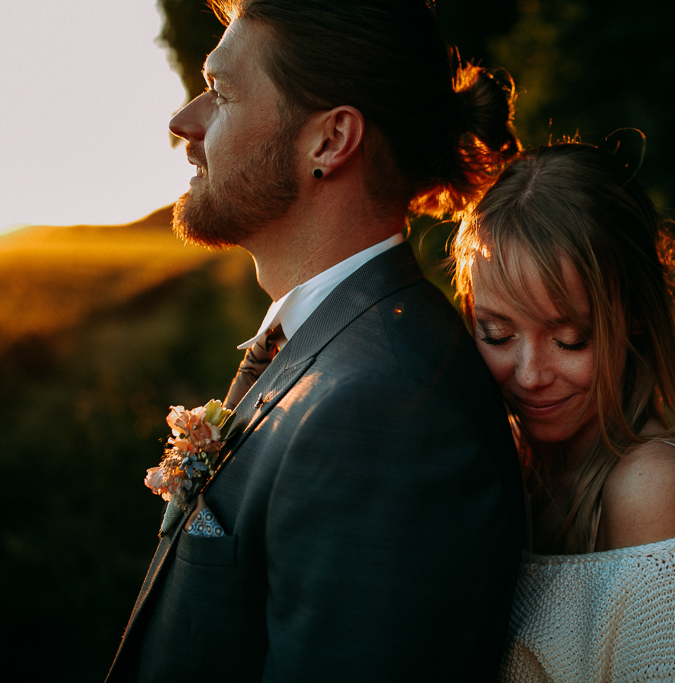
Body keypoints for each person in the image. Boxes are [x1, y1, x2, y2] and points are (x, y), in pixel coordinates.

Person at [106, 1, 524, 680]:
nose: (184, 121)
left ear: (330, 141)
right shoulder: (324, 349)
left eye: (220, 92)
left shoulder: (387, 412)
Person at [451, 143, 675, 681]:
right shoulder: (507, 462)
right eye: (496, 333)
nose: (529, 374)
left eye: (570, 340)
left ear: (634, 317)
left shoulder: (650, 487)